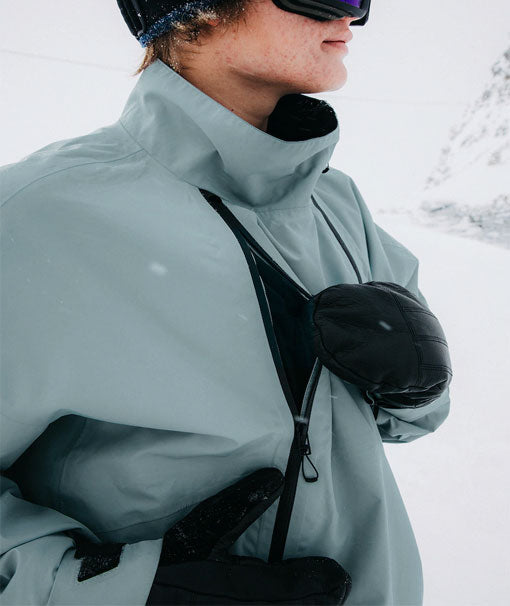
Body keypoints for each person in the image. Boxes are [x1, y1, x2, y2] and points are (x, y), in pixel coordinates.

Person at [0, 1, 452, 604]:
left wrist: (416, 386)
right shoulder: (36, 215)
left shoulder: (338, 206)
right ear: (204, 8)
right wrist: (111, 590)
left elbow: (407, 420)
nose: (354, 15)